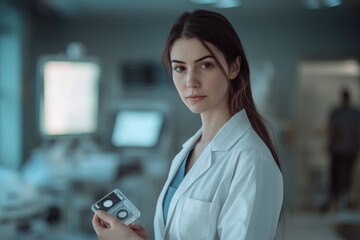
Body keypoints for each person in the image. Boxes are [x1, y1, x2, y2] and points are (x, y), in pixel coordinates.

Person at [92, 9, 283, 240]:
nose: (190, 81)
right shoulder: (190, 150)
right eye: (180, 68)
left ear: (234, 67)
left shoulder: (251, 160)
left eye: (205, 65)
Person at [321, 87, 360, 212]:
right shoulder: (338, 112)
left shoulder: (353, 113)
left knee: (346, 175)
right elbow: (333, 130)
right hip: (339, 150)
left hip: (348, 149)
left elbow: (356, 132)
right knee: (336, 175)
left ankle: (343, 200)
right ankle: (336, 201)